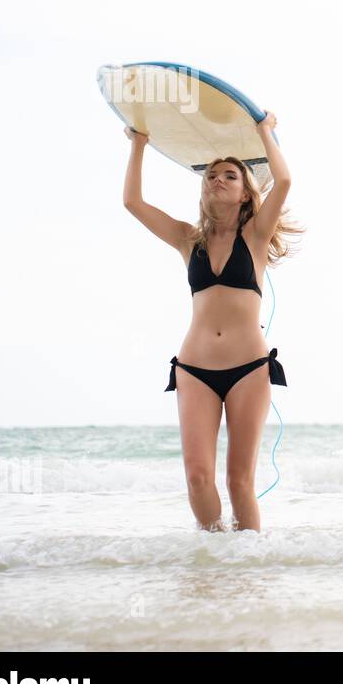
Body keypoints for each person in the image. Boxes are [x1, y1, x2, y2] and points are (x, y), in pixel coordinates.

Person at [122, 115, 299, 531]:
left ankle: (247, 575)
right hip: (194, 369)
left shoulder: (255, 235)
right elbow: (133, 202)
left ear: (244, 193)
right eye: (211, 176)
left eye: (229, 175)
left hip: (249, 369)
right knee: (197, 477)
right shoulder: (188, 239)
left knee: (240, 483)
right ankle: (214, 564)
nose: (217, 180)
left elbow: (285, 180)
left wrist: (264, 129)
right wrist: (139, 144)